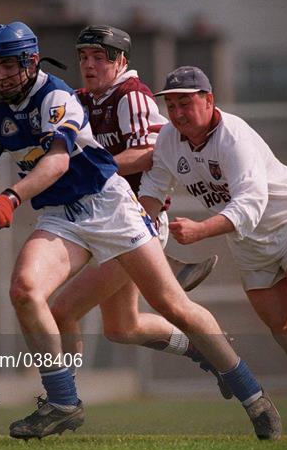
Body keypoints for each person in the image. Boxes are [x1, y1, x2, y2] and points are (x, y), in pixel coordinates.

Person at [0, 21, 281, 441]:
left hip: (114, 207)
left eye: (9, 65)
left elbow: (59, 161)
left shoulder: (64, 96)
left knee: (173, 307)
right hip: (61, 215)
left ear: (30, 62)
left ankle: (252, 394)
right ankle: (62, 401)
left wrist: (10, 197)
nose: (1, 74)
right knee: (29, 291)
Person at [48, 25, 227, 396]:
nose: (89, 65)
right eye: (84, 58)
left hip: (134, 224)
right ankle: (205, 348)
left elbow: (150, 152)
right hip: (109, 225)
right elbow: (23, 136)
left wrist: (96, 168)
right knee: (121, 328)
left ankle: (64, 401)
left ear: (121, 62)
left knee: (62, 311)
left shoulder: (131, 95)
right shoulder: (81, 99)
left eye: (100, 57)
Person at [139, 65, 287, 383]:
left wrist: (200, 230)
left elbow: (251, 204)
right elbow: (152, 190)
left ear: (209, 100)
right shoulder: (168, 140)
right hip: (249, 244)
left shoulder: (233, 136)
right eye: (171, 105)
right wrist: (133, 230)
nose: (177, 113)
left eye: (185, 103)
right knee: (284, 327)